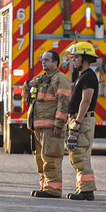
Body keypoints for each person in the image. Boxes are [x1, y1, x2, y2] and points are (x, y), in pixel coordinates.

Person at [27, 50, 72, 198]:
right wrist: (29, 84)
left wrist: (59, 124)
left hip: (51, 128)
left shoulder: (60, 79)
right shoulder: (40, 79)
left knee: (51, 158)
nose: (43, 62)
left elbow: (64, 103)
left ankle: (53, 189)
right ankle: (45, 186)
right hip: (38, 128)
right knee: (40, 159)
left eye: (47, 60)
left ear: (55, 62)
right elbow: (24, 93)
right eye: (42, 60)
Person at [64, 41, 99, 200]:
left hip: (83, 121)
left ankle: (86, 191)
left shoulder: (89, 77)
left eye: (76, 57)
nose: (73, 60)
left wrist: (77, 123)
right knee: (76, 155)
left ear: (84, 58)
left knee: (81, 155)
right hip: (79, 120)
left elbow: (86, 101)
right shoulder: (83, 76)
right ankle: (83, 189)